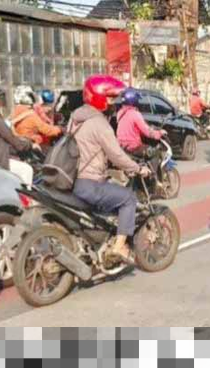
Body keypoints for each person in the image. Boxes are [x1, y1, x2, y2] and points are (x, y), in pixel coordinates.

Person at [72, 75, 151, 264]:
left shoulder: (75, 118)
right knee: (128, 198)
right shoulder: (100, 124)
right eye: (110, 98)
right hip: (90, 183)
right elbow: (116, 155)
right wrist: (138, 169)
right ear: (100, 98)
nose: (114, 103)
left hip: (74, 180)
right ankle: (119, 246)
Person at [117, 88, 166, 155]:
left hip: (121, 147)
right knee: (155, 153)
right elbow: (147, 132)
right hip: (133, 147)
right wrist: (159, 133)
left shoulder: (120, 113)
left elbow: (131, 129)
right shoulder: (135, 114)